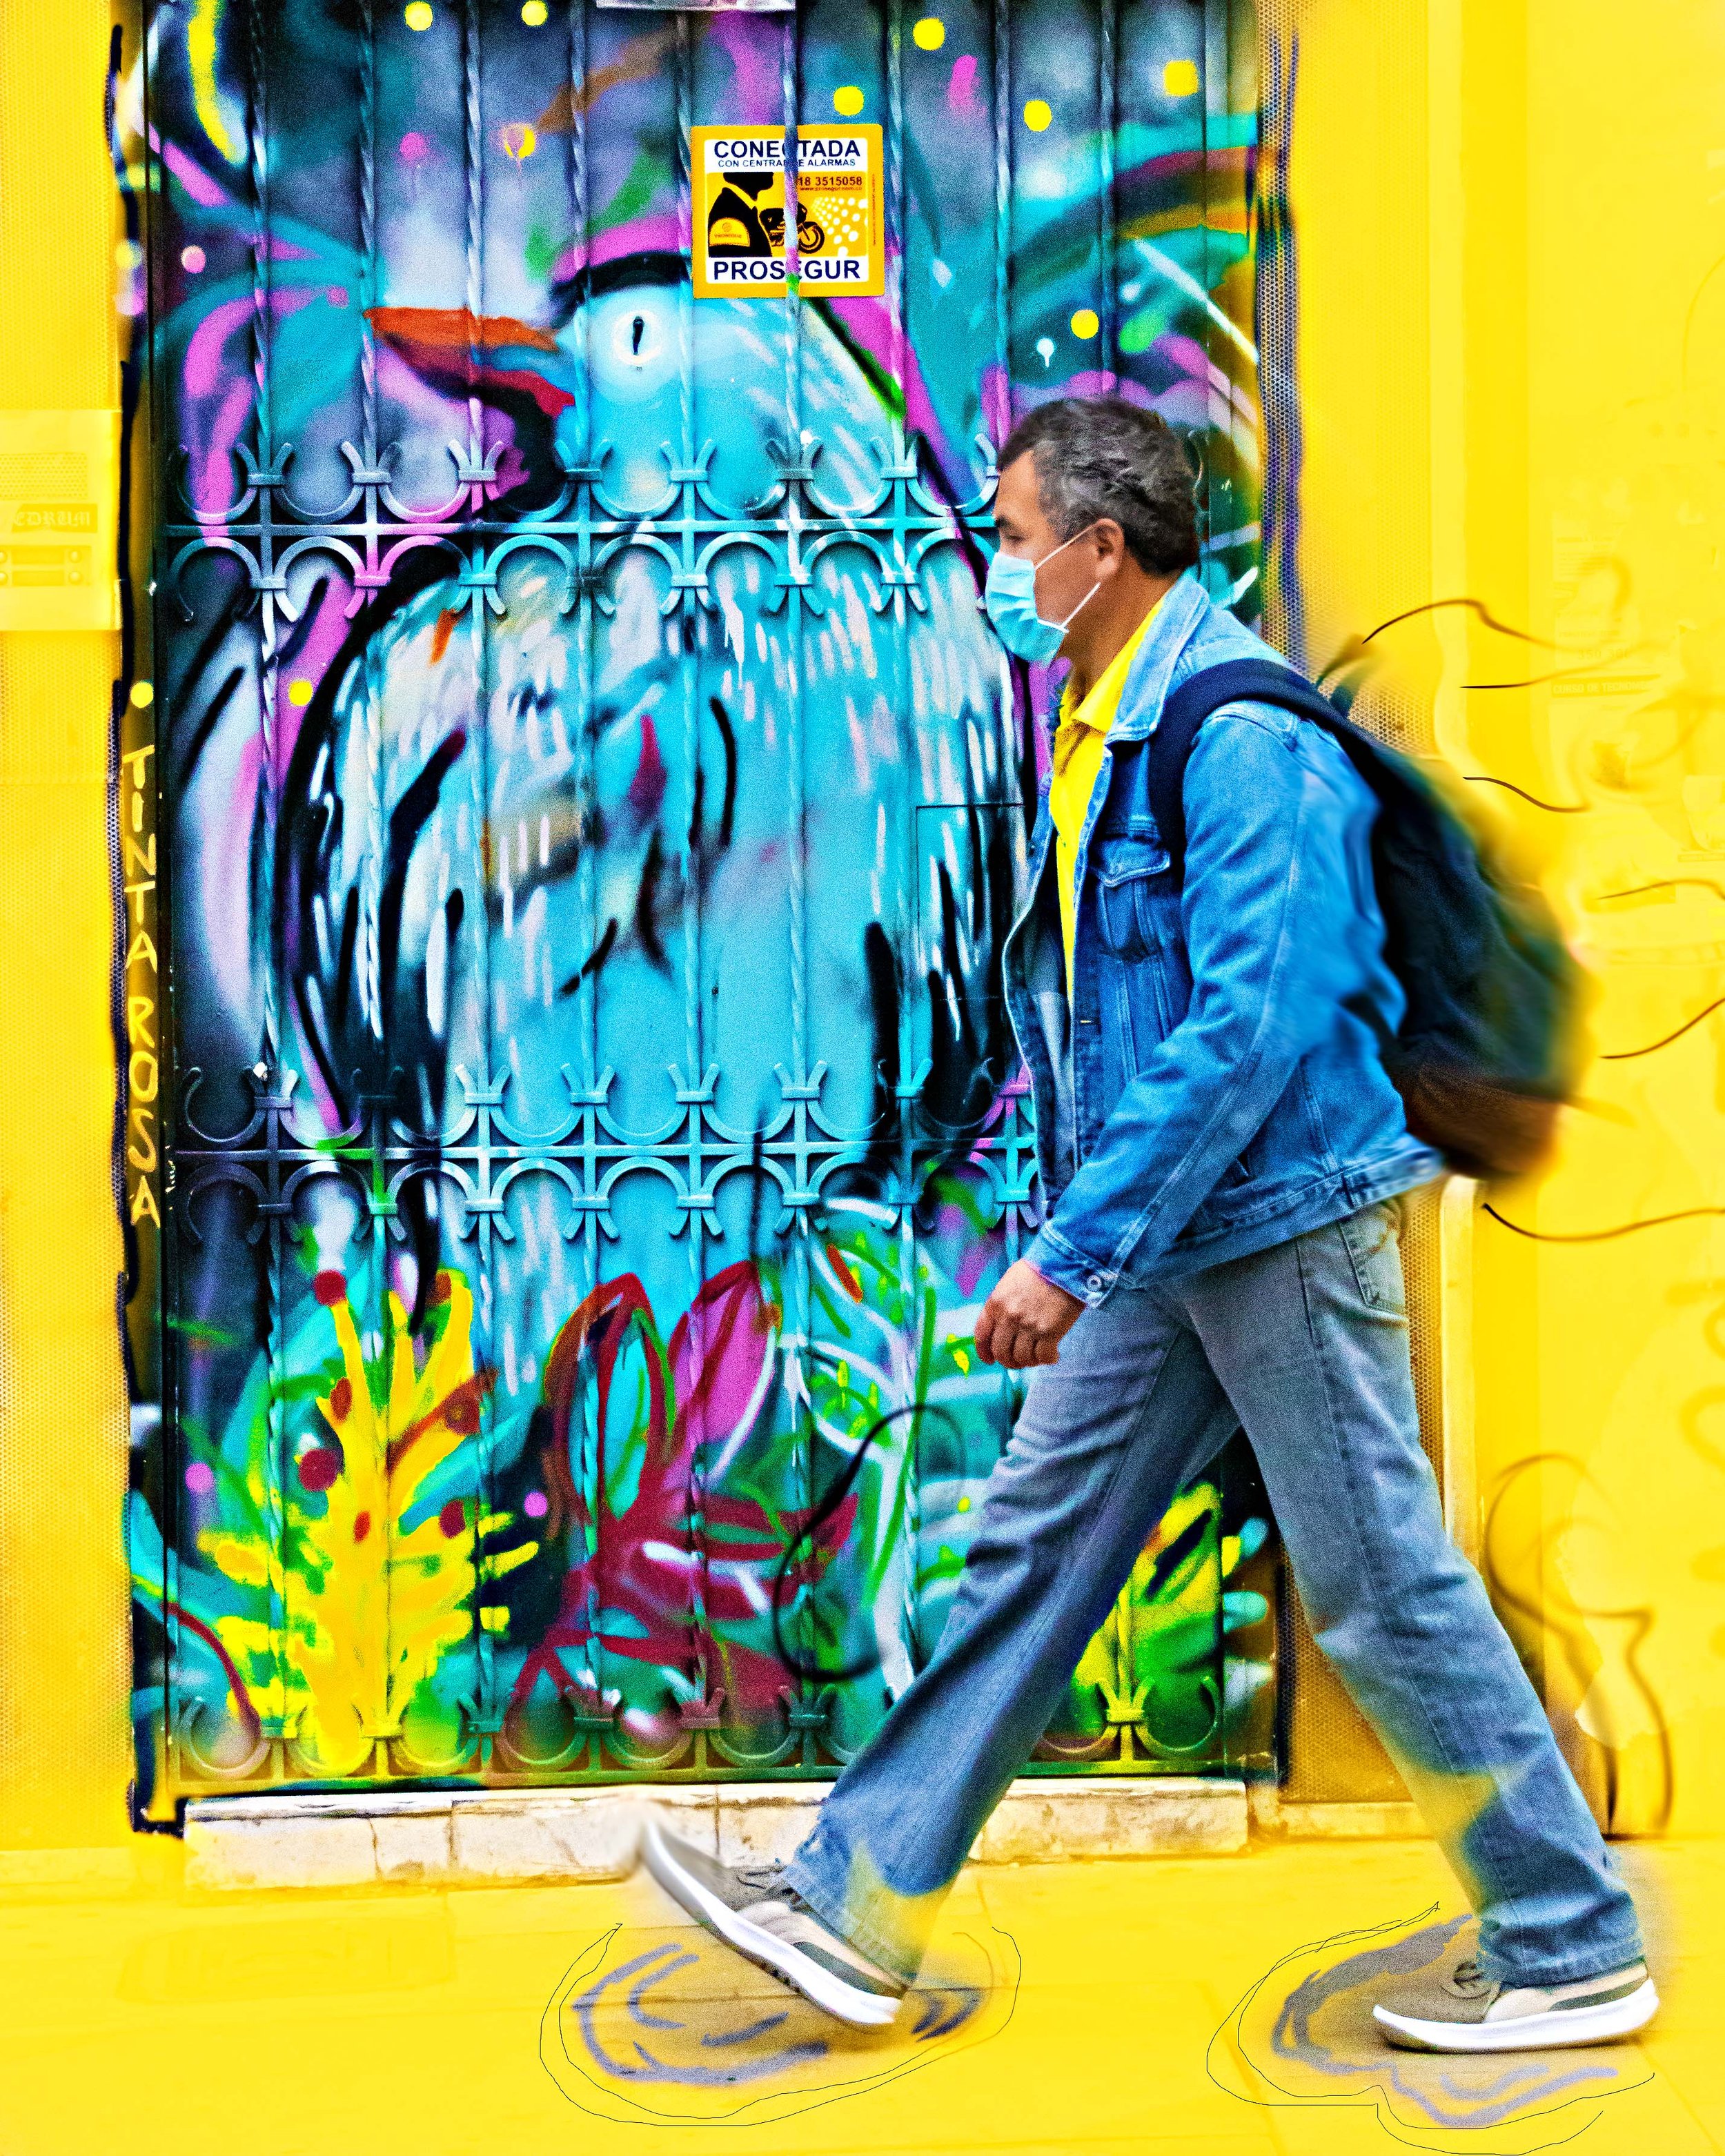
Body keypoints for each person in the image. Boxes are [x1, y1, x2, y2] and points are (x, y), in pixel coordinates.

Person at [642, 395, 1654, 2056]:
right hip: (1173, 1229)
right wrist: (1099, 1233)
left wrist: (1066, 1249)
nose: (993, 560)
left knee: (1377, 1584)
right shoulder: (1104, 712)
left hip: (1276, 1222)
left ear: (1097, 550)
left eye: (1011, 531)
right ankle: (852, 1903)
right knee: (1035, 1552)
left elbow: (1249, 1027)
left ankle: (1565, 1940)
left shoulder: (1232, 733)